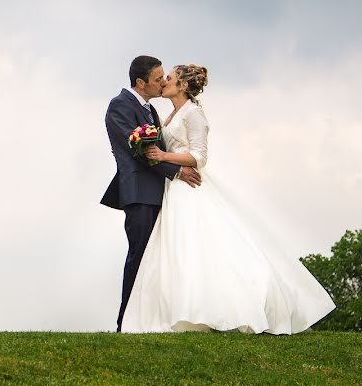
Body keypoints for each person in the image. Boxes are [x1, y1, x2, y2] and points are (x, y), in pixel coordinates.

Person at [120, 64, 336, 333]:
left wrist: (164, 157)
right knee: (179, 248)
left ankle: (224, 307)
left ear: (183, 86)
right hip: (173, 188)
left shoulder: (194, 114)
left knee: (197, 244)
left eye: (170, 78)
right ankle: (178, 308)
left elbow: (199, 157)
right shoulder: (170, 113)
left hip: (189, 187)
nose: (164, 81)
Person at [101, 55, 202, 333]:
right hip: (140, 193)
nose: (163, 83)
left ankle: (152, 318)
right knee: (140, 255)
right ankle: (126, 322)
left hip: (159, 192)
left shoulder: (151, 111)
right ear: (140, 82)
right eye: (158, 79)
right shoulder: (120, 105)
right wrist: (177, 171)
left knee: (156, 260)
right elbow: (141, 151)